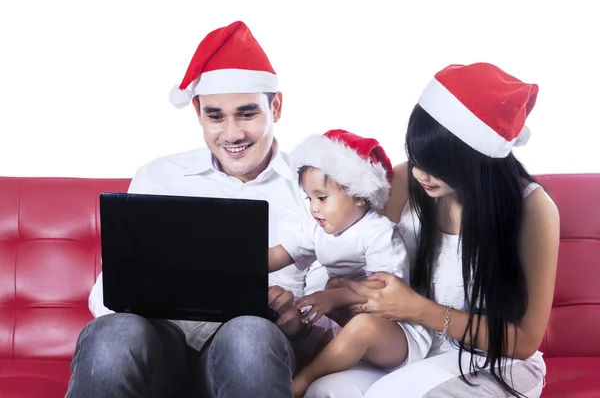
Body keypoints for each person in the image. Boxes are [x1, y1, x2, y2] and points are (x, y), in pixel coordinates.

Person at [65, 20, 337, 398]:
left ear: (275, 107)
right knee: (113, 332)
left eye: (246, 114)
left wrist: (300, 325)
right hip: (158, 351)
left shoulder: (314, 192)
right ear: (197, 112)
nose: (231, 134)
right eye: (215, 116)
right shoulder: (159, 177)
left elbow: (332, 317)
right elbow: (105, 295)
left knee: (250, 333)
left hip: (249, 352)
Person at [339, 62, 559, 397]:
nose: (421, 174)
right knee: (328, 389)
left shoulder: (533, 209)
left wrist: (418, 309)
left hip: (496, 362)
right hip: (417, 346)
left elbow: (525, 341)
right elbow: (356, 252)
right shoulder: (408, 182)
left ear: (478, 160)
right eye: (416, 157)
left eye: (437, 166)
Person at [267, 129, 432, 397]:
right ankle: (308, 354)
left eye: (322, 198)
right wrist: (238, 263)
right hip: (346, 322)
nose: (314, 208)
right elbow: (278, 254)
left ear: (360, 195)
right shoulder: (318, 229)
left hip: (395, 333)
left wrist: (332, 297)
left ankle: (302, 381)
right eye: (309, 199)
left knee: (361, 326)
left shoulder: (378, 232)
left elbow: (384, 289)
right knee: (294, 317)